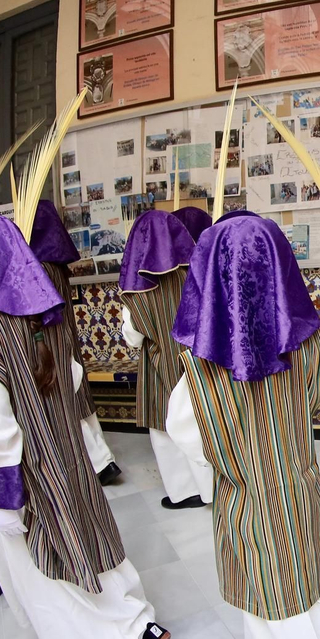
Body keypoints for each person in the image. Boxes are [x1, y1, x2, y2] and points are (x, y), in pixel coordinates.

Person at [0, 213, 169, 639]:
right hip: (66, 452)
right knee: (93, 537)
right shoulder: (41, 307)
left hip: (25, 469)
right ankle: (140, 623)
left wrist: (5, 502)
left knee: (43, 560)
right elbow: (69, 376)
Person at [169, 212, 320, 639]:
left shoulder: (200, 363)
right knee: (309, 578)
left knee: (271, 590)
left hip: (245, 495)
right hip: (297, 481)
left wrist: (227, 461)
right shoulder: (310, 341)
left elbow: (185, 430)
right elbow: (318, 392)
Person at [117, 210, 209, 509]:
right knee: (200, 422)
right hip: (197, 362)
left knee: (163, 428)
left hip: (158, 366)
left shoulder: (136, 293)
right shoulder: (196, 275)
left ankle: (183, 493)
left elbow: (133, 337)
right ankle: (210, 488)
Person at [28, 201, 121, 486]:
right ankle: (103, 460)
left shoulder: (40, 267)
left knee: (69, 405)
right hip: (65, 341)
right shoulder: (55, 265)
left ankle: (101, 464)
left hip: (54, 345)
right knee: (79, 405)